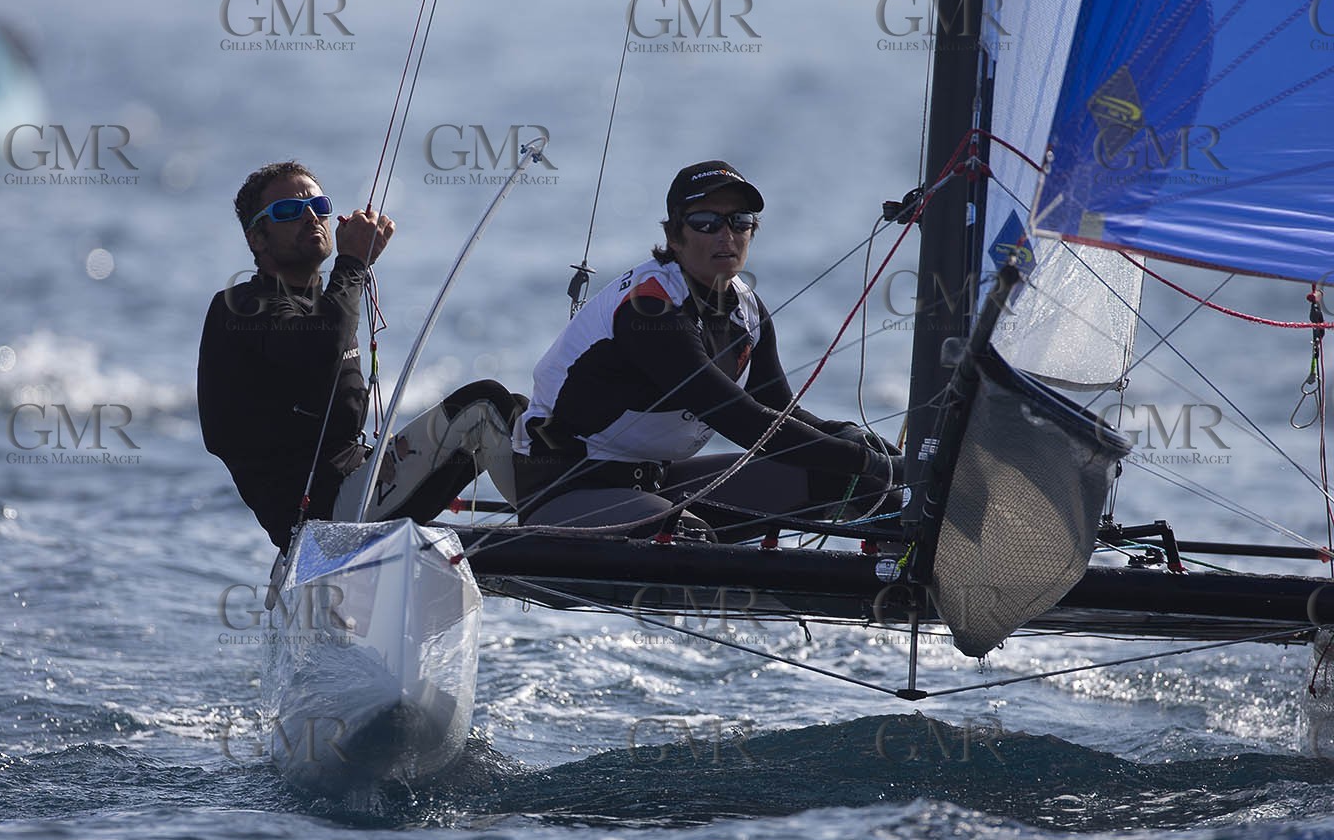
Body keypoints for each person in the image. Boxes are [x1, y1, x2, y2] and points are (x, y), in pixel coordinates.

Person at [512, 159, 900, 540]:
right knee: (685, 538)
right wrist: (864, 460)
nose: (725, 235)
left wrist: (853, 440)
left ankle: (909, 579)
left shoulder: (747, 310)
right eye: (705, 222)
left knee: (853, 481)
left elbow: (779, 412)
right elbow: (736, 417)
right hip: (569, 491)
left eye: (740, 221)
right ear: (674, 236)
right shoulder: (649, 307)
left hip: (656, 485)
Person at [198, 160, 524, 550]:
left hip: (358, 485)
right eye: (288, 211)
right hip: (321, 519)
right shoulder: (239, 306)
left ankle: (585, 505)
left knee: (515, 411)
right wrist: (352, 263)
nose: (310, 218)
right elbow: (322, 349)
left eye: (319, 208)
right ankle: (556, 525)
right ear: (257, 238)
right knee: (483, 404)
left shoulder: (328, 301)